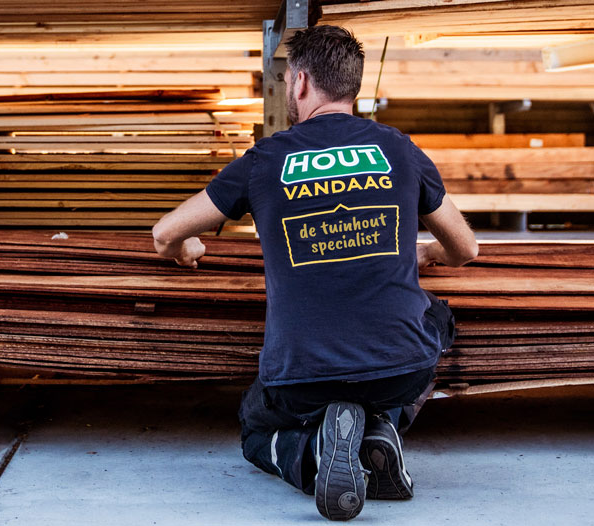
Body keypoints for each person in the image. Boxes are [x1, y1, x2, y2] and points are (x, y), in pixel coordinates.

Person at [150, 25, 478, 521]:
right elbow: (466, 248)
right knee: (437, 322)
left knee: (255, 430)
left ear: (300, 83)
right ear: (354, 86)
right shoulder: (400, 150)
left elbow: (163, 233)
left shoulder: (265, 161)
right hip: (399, 372)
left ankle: (318, 454)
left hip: (301, 377)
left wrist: (184, 247)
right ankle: (378, 426)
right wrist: (428, 254)